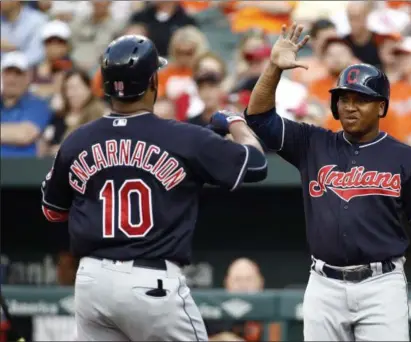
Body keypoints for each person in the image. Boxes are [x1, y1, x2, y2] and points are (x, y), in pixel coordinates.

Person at [40, 35, 267, 341]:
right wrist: (235, 123)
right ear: (152, 82)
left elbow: (52, 212)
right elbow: (255, 165)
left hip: (92, 281)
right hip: (150, 281)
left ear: (107, 85)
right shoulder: (183, 138)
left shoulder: (76, 140)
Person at [234, 23, 411, 341]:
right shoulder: (312, 142)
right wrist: (273, 68)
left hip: (381, 285)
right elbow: (258, 117)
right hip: (324, 283)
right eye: (343, 98)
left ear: (381, 106)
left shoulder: (405, 158)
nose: (350, 106)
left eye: (361, 99)